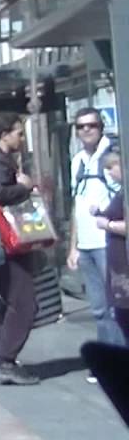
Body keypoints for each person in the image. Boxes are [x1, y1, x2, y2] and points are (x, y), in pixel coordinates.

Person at [0, 112, 41, 386]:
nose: (22, 138)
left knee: (4, 303)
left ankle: (6, 360)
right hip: (5, 245)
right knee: (25, 303)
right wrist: (24, 187)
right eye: (18, 132)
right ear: (4, 135)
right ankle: (5, 360)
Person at [66, 107, 123, 348]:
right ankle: (109, 359)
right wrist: (73, 247)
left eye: (92, 125)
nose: (86, 130)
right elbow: (76, 206)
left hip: (109, 243)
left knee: (116, 306)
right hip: (86, 245)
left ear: (101, 127)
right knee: (99, 308)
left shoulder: (113, 157)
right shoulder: (77, 160)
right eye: (81, 126)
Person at [93, 151, 129, 344]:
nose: (108, 173)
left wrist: (108, 225)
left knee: (124, 316)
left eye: (110, 167)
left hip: (125, 262)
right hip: (118, 262)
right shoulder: (122, 190)